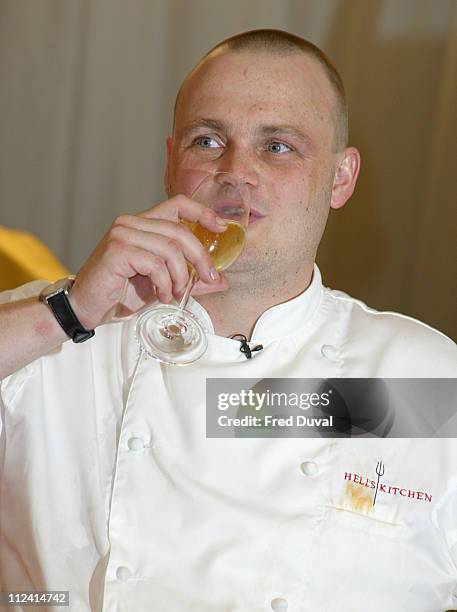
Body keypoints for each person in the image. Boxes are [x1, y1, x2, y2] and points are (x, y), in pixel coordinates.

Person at [1, 29, 456, 612]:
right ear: (171, 164)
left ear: (341, 179)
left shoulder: (421, 378)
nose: (236, 172)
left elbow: (250, 412)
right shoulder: (51, 334)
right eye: (208, 140)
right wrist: (67, 315)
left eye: (278, 146)